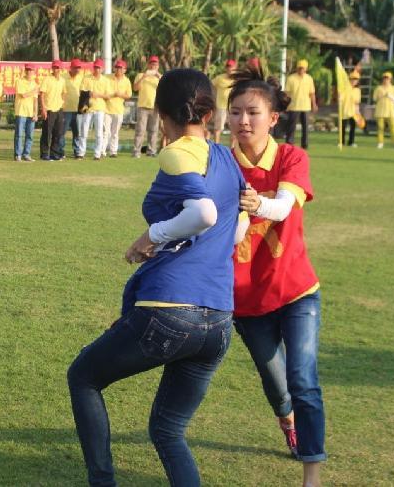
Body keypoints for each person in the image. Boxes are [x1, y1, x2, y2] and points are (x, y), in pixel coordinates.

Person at [68, 68, 248, 487]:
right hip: (219, 321)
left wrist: (152, 236)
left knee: (84, 377)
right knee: (168, 430)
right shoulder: (227, 158)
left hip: (169, 310)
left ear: (162, 113)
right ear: (209, 112)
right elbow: (238, 228)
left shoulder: (175, 152)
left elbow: (204, 213)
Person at [229, 64, 326, 487]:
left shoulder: (291, 156)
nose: (243, 121)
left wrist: (256, 205)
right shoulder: (220, 163)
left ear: (273, 118)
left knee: (303, 380)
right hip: (246, 299)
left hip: (296, 290)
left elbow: (284, 207)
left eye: (253, 112)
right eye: (235, 112)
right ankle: (288, 422)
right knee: (278, 387)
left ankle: (311, 475)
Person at [78, 59, 111, 160]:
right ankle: (81, 152)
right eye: (96, 67)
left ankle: (97, 154)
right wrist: (89, 94)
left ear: (102, 69)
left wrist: (98, 95)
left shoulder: (105, 80)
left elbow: (108, 96)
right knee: (84, 131)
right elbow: (81, 92)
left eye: (99, 68)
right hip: (88, 108)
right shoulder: (86, 78)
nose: (97, 69)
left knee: (99, 132)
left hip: (100, 108)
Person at [284, 59, 317, 149]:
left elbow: (312, 93)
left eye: (303, 68)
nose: (301, 70)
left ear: (306, 69)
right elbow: (287, 93)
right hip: (293, 106)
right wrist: (285, 104)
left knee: (305, 127)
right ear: (297, 68)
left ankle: (305, 144)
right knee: (291, 127)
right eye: (299, 68)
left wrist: (314, 104)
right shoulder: (291, 78)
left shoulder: (309, 78)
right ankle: (289, 143)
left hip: (306, 106)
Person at [132, 56, 161, 157]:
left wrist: (159, 76)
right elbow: (135, 88)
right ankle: (136, 151)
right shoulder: (140, 75)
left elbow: (167, 88)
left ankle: (151, 151)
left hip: (155, 107)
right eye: (152, 64)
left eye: (155, 64)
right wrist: (144, 77)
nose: (153, 66)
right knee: (140, 130)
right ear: (148, 65)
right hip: (143, 106)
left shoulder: (159, 78)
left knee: (153, 131)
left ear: (158, 66)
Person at [102, 59, 131, 158]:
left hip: (119, 110)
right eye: (117, 67)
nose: (118, 69)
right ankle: (102, 151)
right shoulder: (107, 77)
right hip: (106, 109)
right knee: (105, 132)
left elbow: (129, 95)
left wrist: (120, 94)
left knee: (115, 133)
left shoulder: (126, 81)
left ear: (125, 70)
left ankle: (113, 151)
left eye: (121, 68)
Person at [39, 60, 67, 160]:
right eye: (55, 67)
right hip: (49, 109)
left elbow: (64, 92)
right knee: (47, 133)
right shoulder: (47, 79)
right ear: (52, 68)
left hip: (58, 109)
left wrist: (62, 102)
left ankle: (54, 153)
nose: (56, 69)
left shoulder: (62, 80)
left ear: (61, 69)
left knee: (58, 133)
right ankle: (44, 154)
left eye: (58, 68)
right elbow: (41, 94)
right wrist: (43, 108)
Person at [14, 64, 39, 162]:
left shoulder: (35, 84)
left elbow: (35, 100)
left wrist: (35, 113)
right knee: (19, 134)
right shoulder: (19, 81)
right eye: (27, 70)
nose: (29, 72)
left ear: (34, 72)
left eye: (31, 70)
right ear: (25, 71)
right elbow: (23, 95)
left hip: (30, 112)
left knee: (30, 135)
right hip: (21, 111)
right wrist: (34, 91)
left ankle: (26, 154)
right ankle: (18, 154)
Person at [60, 58, 83, 159]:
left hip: (78, 110)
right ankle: (61, 151)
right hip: (66, 109)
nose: (77, 70)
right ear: (71, 68)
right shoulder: (63, 77)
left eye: (79, 68)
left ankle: (77, 151)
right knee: (63, 132)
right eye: (75, 68)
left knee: (77, 132)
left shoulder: (80, 78)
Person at [373, 71, 394, 149]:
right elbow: (374, 98)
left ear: (390, 79)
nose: (386, 80)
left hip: (391, 112)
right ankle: (380, 142)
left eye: (387, 78)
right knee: (380, 128)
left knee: (393, 128)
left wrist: (389, 96)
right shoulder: (379, 88)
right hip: (380, 111)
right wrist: (380, 96)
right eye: (384, 78)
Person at [212, 59, 236, 143]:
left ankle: (233, 148)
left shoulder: (237, 79)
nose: (230, 69)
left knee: (234, 128)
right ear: (226, 68)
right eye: (228, 67)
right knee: (218, 128)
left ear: (235, 68)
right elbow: (210, 86)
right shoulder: (219, 78)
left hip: (233, 107)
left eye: (231, 67)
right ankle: (216, 146)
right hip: (221, 106)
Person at [340, 70, 362, 147]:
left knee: (353, 127)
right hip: (345, 111)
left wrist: (358, 112)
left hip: (353, 112)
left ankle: (351, 142)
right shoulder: (345, 88)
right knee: (343, 127)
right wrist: (340, 97)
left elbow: (357, 102)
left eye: (356, 79)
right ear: (349, 79)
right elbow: (341, 98)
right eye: (352, 79)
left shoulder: (358, 90)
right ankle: (342, 142)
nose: (354, 81)